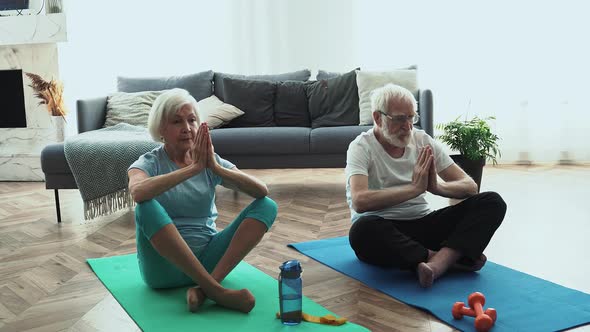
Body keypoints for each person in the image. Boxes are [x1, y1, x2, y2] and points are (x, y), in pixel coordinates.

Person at [127, 88, 277, 313]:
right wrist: (192, 170)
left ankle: (204, 289)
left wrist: (214, 167)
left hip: (209, 262)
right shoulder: (150, 162)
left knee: (267, 206)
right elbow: (137, 192)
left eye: (192, 120)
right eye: (177, 121)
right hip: (162, 269)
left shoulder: (209, 161)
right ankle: (216, 291)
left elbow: (260, 191)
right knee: (145, 206)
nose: (187, 128)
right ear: (161, 129)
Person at [346, 83, 506, 288]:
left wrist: (437, 188)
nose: (408, 126)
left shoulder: (422, 140)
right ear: (378, 118)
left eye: (411, 117)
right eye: (400, 118)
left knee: (492, 201)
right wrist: (413, 190)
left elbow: (469, 186)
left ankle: (436, 264)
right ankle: (447, 259)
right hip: (385, 229)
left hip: (423, 223)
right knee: (361, 231)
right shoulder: (361, 147)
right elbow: (360, 201)